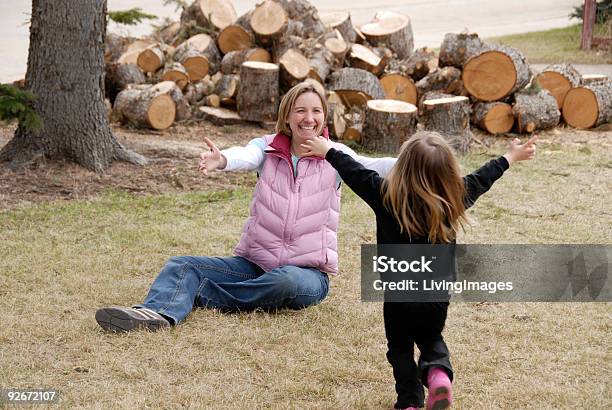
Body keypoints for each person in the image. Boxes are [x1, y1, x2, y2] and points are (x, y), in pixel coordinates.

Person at [95, 81, 396, 333]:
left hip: (306, 276)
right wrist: (222, 159)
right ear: (287, 116)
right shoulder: (268, 148)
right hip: (254, 265)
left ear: (324, 118)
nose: (309, 117)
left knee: (285, 280)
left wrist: (421, 163)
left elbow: (375, 166)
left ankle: (200, 293)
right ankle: (156, 314)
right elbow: (246, 155)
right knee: (183, 265)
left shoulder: (337, 155)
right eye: (300, 110)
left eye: (316, 111)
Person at [301, 131, 537, 410]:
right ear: (449, 171)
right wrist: (511, 156)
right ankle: (437, 374)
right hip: (436, 294)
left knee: (400, 345)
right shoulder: (456, 195)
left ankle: (409, 400)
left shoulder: (385, 194)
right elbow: (484, 177)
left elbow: (354, 172)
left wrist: (327, 150)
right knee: (430, 337)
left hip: (399, 292)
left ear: (403, 167)